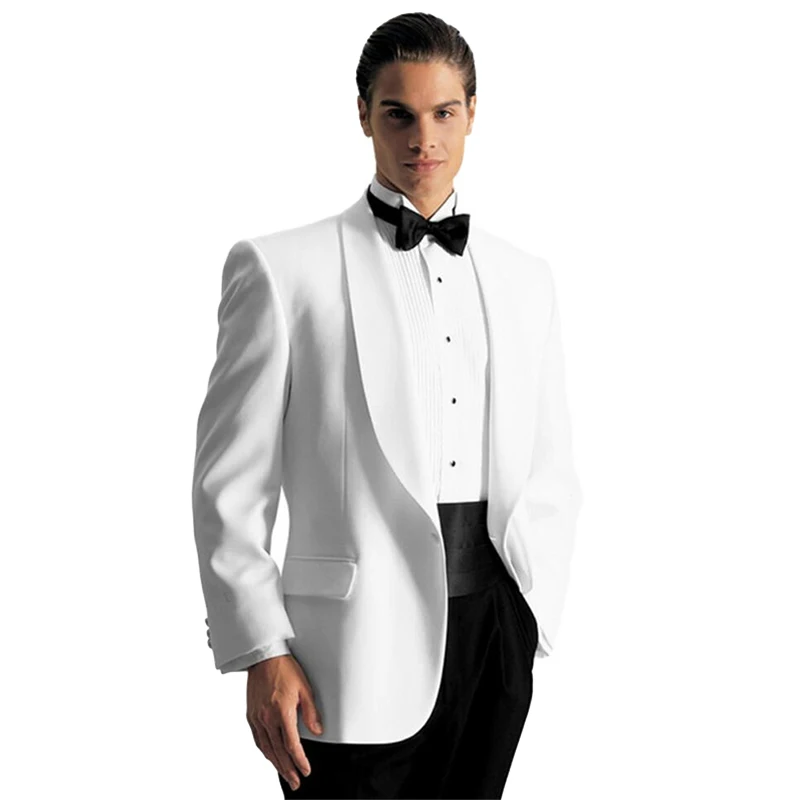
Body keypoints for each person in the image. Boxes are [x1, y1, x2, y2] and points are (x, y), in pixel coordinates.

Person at [191, 11, 582, 799]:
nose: (423, 139)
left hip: (494, 638)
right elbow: (229, 485)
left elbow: (548, 463)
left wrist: (532, 616)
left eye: (443, 113)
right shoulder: (282, 270)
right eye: (398, 113)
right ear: (364, 115)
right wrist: (260, 647)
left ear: (472, 113)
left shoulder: (525, 277)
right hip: (346, 655)